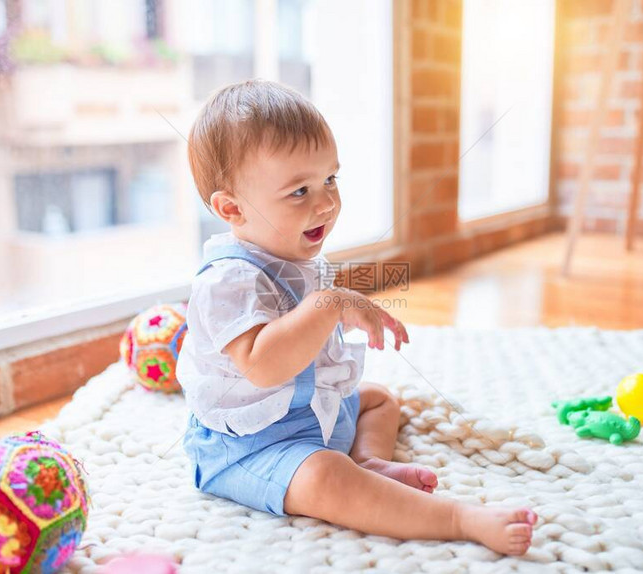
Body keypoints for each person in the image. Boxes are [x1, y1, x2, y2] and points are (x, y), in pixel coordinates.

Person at [176, 79, 536, 555]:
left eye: (330, 180)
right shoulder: (226, 280)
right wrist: (330, 306)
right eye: (299, 191)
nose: (324, 202)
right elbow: (264, 365)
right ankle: (457, 518)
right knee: (327, 476)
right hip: (254, 447)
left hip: (310, 417)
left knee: (379, 400)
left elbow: (308, 336)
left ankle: (368, 461)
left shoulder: (294, 257)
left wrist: (345, 315)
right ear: (231, 208)